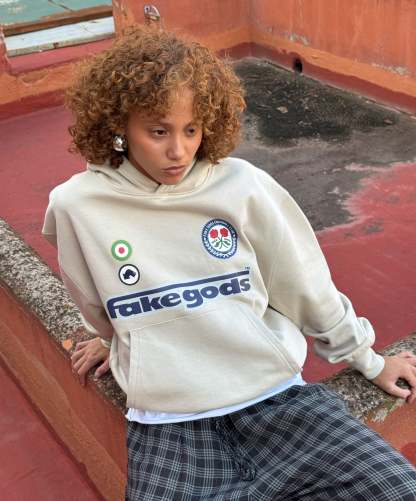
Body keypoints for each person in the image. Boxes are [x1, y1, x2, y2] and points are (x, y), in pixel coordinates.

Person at [42, 25, 416, 500]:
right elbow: (95, 301)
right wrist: (114, 337)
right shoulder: (76, 206)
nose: (178, 151)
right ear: (119, 125)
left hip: (277, 399)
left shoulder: (242, 186)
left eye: (192, 129)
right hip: (168, 425)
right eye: (158, 131)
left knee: (397, 489)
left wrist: (368, 360)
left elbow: (304, 286)